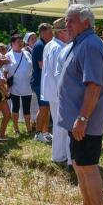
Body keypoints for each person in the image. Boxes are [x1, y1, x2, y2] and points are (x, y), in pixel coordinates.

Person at [58, 4, 103, 205]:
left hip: (85, 121)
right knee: (80, 165)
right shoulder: (80, 43)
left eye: (71, 21)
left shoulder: (89, 45)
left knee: (88, 166)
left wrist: (82, 118)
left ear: (86, 22)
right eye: (66, 21)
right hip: (78, 120)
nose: (66, 25)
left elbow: (93, 86)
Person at [41, 18, 71, 165]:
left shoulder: (50, 45)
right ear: (61, 32)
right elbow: (59, 74)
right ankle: (60, 156)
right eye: (67, 30)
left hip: (53, 91)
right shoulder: (58, 48)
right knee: (62, 126)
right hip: (59, 92)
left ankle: (60, 154)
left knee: (60, 125)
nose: (70, 34)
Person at [5, 33, 33, 134]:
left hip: (27, 85)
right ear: (12, 43)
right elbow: (5, 72)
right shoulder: (8, 55)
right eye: (18, 42)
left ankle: (28, 128)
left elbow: (32, 67)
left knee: (27, 107)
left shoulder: (27, 53)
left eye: (21, 42)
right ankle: (16, 128)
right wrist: (6, 86)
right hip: (15, 85)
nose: (20, 43)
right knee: (15, 107)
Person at [31, 23, 53, 143]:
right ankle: (38, 133)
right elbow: (41, 65)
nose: (52, 34)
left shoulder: (45, 44)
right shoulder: (40, 45)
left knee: (47, 107)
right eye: (50, 32)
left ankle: (45, 132)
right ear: (43, 33)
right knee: (43, 107)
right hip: (39, 81)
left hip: (43, 81)